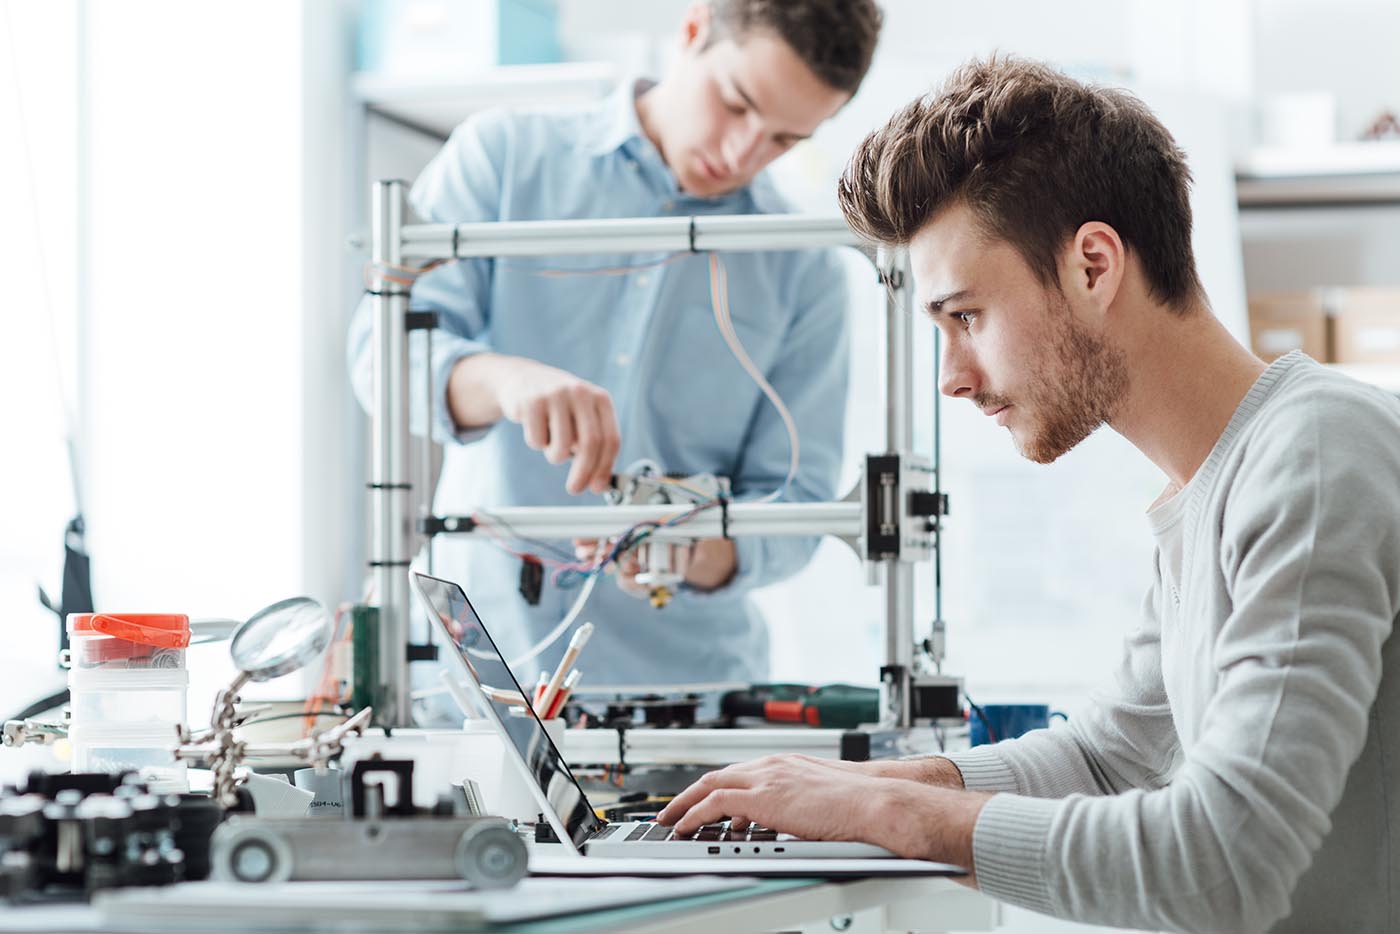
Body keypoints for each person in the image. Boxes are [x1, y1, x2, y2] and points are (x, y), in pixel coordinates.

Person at [658, 56, 1400, 933]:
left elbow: (1226, 863)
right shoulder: (1211, 482)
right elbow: (1110, 755)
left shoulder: (1315, 453)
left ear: (1093, 265)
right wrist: (863, 785)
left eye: (965, 316)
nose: (952, 379)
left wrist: (891, 818)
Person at [347, 1, 883, 698]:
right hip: (476, 675)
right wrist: (504, 380)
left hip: (685, 703)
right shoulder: (505, 158)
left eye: (783, 139)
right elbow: (380, 359)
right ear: (692, 32)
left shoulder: (803, 265)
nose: (741, 153)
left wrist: (690, 551)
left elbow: (797, 502)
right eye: (735, 103)